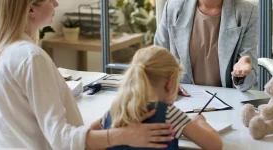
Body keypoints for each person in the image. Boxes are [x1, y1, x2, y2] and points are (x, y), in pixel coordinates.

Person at [0, 0, 174, 149]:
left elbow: (36, 129)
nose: (56, 3)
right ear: (30, 9)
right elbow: (62, 140)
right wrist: (122, 135)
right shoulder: (31, 58)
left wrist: (105, 122)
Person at [90, 46, 223, 150]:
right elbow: (215, 145)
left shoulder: (117, 109)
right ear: (170, 83)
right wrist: (200, 121)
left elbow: (90, 134)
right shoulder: (169, 114)